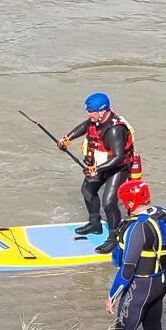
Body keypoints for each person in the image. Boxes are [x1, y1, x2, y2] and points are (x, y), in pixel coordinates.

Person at [105, 179, 166, 330]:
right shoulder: (162, 214)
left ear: (129, 203)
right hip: (160, 282)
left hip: (141, 286)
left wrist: (112, 296)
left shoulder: (138, 228)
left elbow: (127, 269)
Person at [59, 92, 136, 254]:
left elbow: (118, 157)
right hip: (101, 164)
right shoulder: (96, 119)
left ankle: (114, 238)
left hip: (117, 167)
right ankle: (95, 225)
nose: (88, 114)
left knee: (108, 202)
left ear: (102, 111)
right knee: (87, 191)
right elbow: (85, 125)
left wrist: (97, 169)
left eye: (91, 111)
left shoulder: (115, 130)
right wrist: (67, 137)